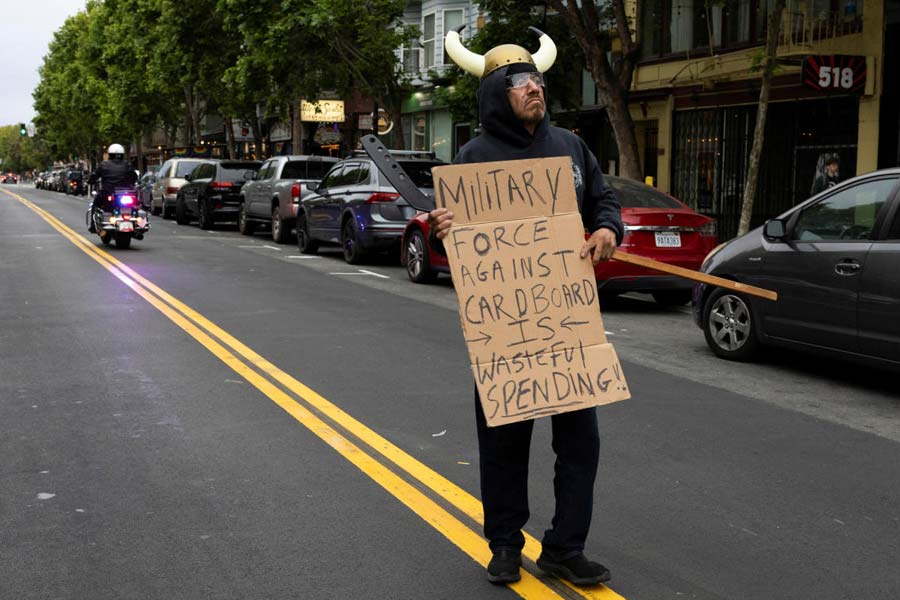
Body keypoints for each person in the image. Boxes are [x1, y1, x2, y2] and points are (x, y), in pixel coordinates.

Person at [429, 26, 624, 587]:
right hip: (505, 331)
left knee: (580, 444)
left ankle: (565, 547)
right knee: (504, 445)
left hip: (567, 322)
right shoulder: (472, 157)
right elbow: (452, 241)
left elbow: (603, 201)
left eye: (537, 79)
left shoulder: (571, 147)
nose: (533, 88)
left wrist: (608, 227)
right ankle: (505, 545)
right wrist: (442, 230)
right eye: (519, 83)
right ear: (495, 94)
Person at [89, 143, 138, 213]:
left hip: (107, 193)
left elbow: (94, 176)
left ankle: (93, 223)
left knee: (95, 205)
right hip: (125, 193)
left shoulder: (104, 164)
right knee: (136, 207)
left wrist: (90, 181)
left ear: (110, 154)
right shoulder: (127, 164)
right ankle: (139, 222)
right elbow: (134, 177)